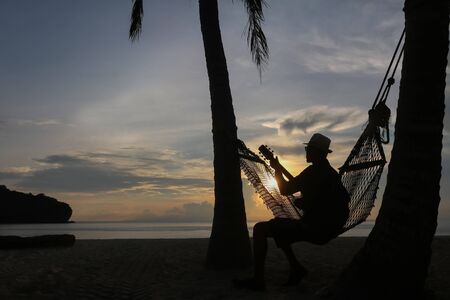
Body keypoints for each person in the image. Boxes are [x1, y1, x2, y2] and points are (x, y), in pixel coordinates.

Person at [233, 133, 350, 291]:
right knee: (280, 227)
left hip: (315, 228)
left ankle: (258, 280)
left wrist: (276, 169)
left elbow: (284, 189)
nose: (306, 152)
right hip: (329, 227)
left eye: (308, 149)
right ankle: (296, 268)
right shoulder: (332, 174)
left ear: (317, 152)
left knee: (260, 229)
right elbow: (340, 200)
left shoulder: (312, 172)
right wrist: (310, 203)